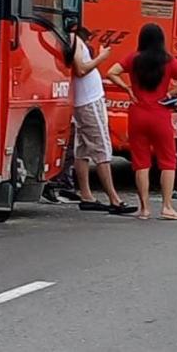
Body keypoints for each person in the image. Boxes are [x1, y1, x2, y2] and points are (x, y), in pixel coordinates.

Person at [106, 24, 177, 221]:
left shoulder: (133, 59)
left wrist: (127, 89)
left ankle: (144, 208)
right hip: (160, 114)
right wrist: (171, 93)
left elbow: (111, 72)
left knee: (141, 162)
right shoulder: (168, 61)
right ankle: (167, 206)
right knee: (168, 161)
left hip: (137, 114)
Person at [66, 26, 137, 216]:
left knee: (82, 150)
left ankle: (87, 196)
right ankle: (114, 199)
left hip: (85, 100)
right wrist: (101, 58)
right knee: (102, 148)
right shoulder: (73, 40)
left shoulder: (73, 40)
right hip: (88, 101)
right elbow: (80, 69)